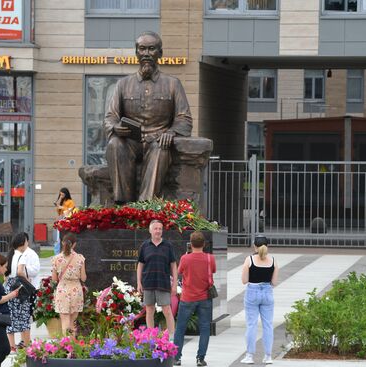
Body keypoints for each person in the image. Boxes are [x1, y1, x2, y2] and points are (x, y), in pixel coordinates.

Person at [103, 31, 193, 204]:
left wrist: (172, 132)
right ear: (136, 52)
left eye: (151, 49)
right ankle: (123, 204)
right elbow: (110, 117)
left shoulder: (173, 84)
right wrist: (115, 128)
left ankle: (146, 206)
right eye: (142, 49)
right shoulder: (123, 84)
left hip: (157, 140)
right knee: (114, 144)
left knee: (161, 148)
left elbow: (184, 119)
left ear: (160, 53)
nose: (146, 53)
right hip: (130, 142)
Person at [173, 231, 216, 366]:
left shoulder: (185, 258)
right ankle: (200, 358)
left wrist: (187, 255)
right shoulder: (210, 258)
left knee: (180, 328)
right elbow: (213, 271)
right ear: (204, 244)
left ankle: (177, 358)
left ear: (190, 245)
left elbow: (179, 271)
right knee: (204, 329)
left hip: (187, 298)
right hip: (204, 297)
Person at [240, 235, 279, 365]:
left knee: (251, 325)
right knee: (268, 325)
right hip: (267, 292)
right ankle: (268, 356)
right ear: (267, 246)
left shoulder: (249, 259)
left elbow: (244, 280)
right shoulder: (273, 260)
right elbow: (274, 282)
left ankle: (250, 355)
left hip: (252, 292)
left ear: (254, 246)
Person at [137, 219, 178, 335]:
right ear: (150, 231)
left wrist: (174, 284)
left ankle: (171, 337)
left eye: (160, 229)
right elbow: (140, 264)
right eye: (155, 228)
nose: (158, 231)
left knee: (167, 310)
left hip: (163, 283)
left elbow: (173, 265)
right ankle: (151, 337)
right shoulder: (145, 246)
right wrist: (139, 283)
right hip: (148, 283)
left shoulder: (168, 246)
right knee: (149, 310)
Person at [4, 232, 40, 353]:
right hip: (20, 288)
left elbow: (6, 274)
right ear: (23, 243)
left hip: (10, 287)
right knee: (24, 316)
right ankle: (26, 345)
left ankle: (12, 347)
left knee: (11, 317)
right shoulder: (22, 255)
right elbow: (20, 271)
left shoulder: (10, 254)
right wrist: (26, 279)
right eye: (26, 241)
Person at [51, 232, 87, 335]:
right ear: (74, 244)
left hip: (62, 290)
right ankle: (73, 347)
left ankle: (66, 345)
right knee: (73, 321)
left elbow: (54, 279)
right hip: (76, 290)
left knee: (64, 320)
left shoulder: (56, 259)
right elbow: (83, 278)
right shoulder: (80, 258)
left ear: (62, 243)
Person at [53, 188, 75, 255]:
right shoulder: (61, 201)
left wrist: (62, 207)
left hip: (67, 220)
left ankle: (66, 251)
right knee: (58, 238)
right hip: (61, 220)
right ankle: (57, 253)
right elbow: (59, 212)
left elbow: (70, 210)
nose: (61, 196)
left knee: (65, 237)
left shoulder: (70, 201)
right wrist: (58, 203)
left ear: (66, 194)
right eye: (60, 195)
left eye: (62, 195)